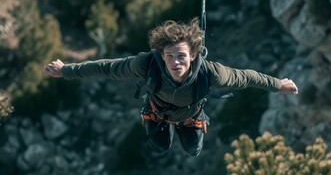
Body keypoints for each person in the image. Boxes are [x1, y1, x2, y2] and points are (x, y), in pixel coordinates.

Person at [43, 18, 298, 157]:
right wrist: (67, 70)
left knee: (193, 150)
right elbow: (108, 67)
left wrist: (278, 85)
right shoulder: (147, 64)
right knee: (160, 147)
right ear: (161, 55)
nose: (175, 62)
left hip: (190, 117)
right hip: (157, 113)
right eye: (170, 56)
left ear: (193, 55)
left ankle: (188, 127)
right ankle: (154, 122)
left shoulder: (210, 72)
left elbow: (247, 77)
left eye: (181, 56)